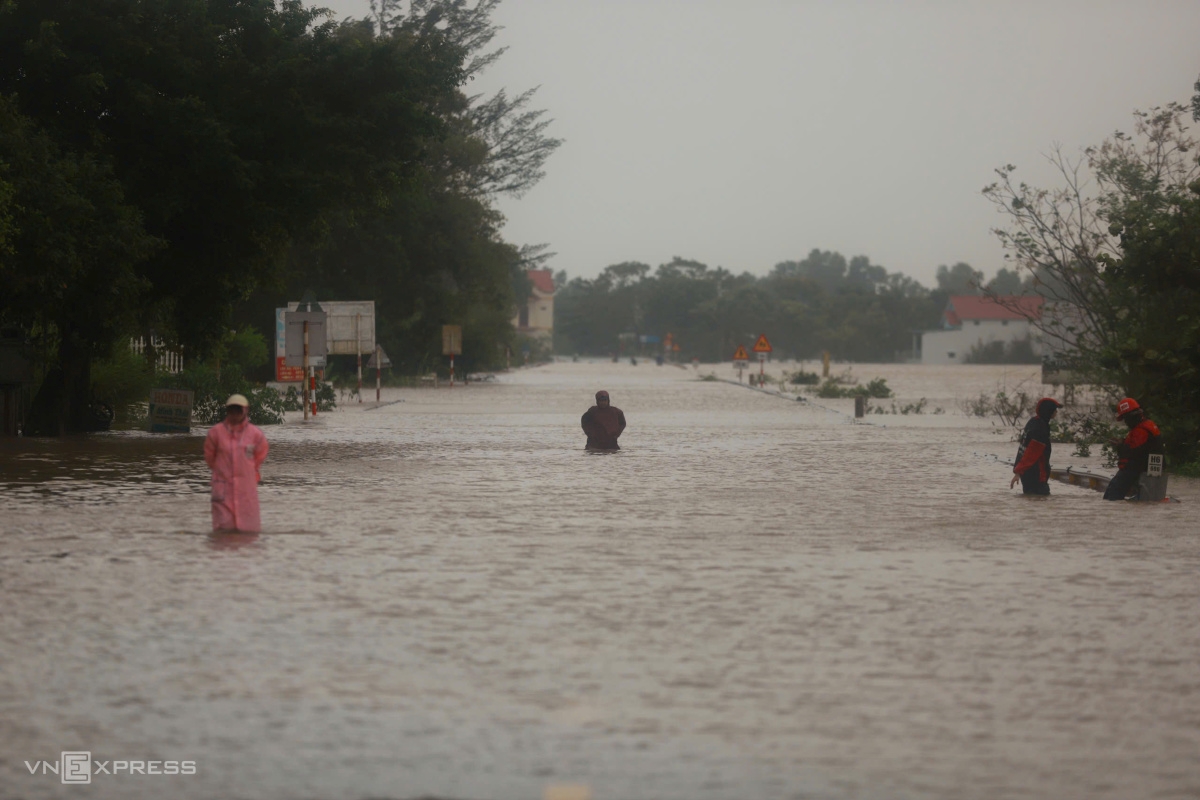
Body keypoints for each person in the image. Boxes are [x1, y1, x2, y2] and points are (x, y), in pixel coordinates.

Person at [203, 394, 269, 531]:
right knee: (222, 530)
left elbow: (260, 454)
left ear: (245, 411)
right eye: (231, 410)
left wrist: (248, 470)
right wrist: (221, 470)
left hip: (246, 486)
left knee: (248, 532)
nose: (235, 414)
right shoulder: (215, 433)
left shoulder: (255, 434)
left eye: (238, 410)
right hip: (222, 485)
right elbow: (210, 457)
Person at [1102, 397, 1162, 501]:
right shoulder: (1147, 425)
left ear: (1131, 416)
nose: (1125, 422)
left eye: (1125, 418)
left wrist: (1120, 446)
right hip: (1145, 470)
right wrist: (1122, 442)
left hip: (1135, 470)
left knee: (1110, 497)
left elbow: (1133, 452)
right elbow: (1138, 446)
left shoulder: (1140, 430)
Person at [1010, 397, 1062, 495]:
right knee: (1041, 501)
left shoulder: (1034, 422)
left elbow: (1022, 449)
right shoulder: (1040, 428)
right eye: (1054, 410)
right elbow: (1031, 453)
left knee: (1031, 503)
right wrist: (1018, 472)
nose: (1056, 412)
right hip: (1036, 474)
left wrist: (1019, 471)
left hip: (1028, 473)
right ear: (1048, 411)